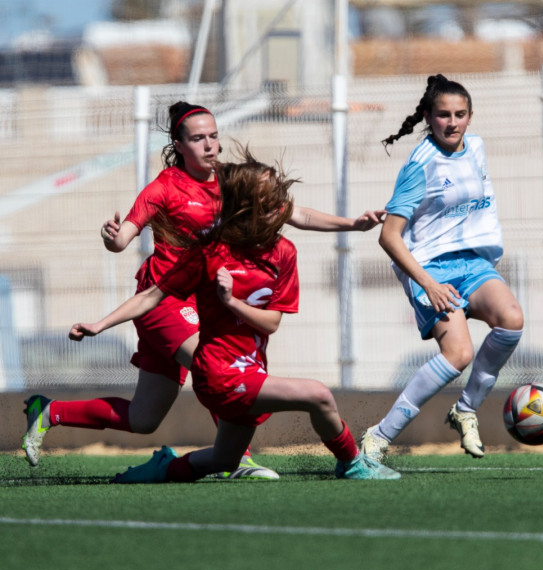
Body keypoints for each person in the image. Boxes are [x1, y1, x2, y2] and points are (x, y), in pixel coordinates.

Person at [22, 101, 383, 480]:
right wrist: (111, 238)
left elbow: (293, 212)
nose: (209, 145)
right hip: (163, 300)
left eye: (213, 136)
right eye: (198, 138)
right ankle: (237, 459)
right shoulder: (164, 187)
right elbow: (124, 237)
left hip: (199, 302)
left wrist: (353, 224)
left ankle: (50, 412)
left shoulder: (232, 180)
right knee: (210, 361)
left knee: (143, 418)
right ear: (179, 145)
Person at [358, 74, 524, 462]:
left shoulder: (478, 148)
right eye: (443, 115)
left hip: (471, 262)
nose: (453, 122)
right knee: (459, 354)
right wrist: (429, 284)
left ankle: (465, 410)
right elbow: (390, 236)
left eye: (460, 114)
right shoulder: (420, 164)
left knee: (511, 319)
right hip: (430, 268)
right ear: (429, 119)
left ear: (470, 117)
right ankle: (378, 438)